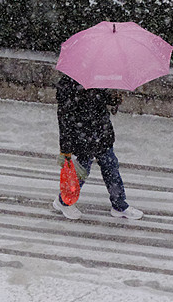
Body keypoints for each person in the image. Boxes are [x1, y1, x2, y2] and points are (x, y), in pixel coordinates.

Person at [52, 75, 143, 220]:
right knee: (81, 173)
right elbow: (64, 120)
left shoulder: (98, 77)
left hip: (102, 135)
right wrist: (66, 148)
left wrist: (113, 99)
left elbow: (101, 100)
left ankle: (119, 205)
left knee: (111, 168)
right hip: (81, 138)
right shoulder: (68, 85)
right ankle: (64, 202)